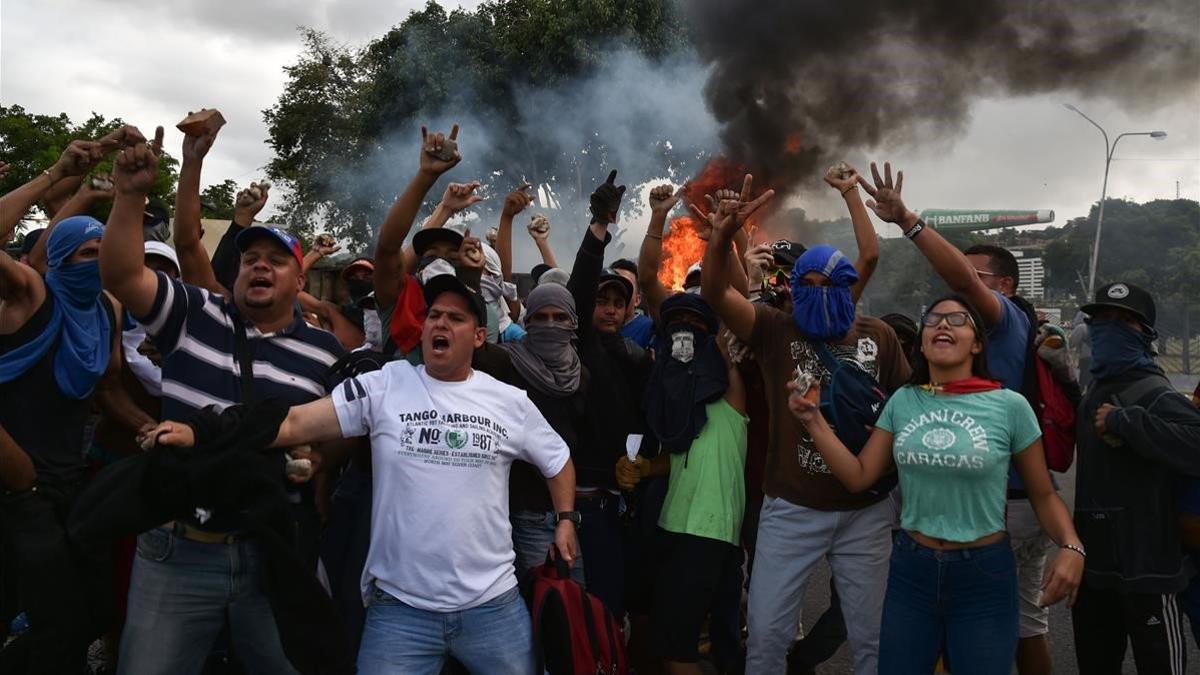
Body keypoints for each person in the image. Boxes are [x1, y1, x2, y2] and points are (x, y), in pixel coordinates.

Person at [148, 272, 579, 674]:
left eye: (455, 318)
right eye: (433, 316)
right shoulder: (386, 384)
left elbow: (556, 459)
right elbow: (296, 423)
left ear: (479, 336)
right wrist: (204, 431)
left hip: (493, 607)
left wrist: (564, 520)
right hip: (401, 610)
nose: (439, 324)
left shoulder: (509, 401)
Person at [98, 127, 347, 674]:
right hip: (177, 551)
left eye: (275, 260)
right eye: (250, 257)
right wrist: (130, 195)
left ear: (299, 277)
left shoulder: (325, 353)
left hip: (273, 549)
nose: (259, 266)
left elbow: (336, 440)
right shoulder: (191, 314)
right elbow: (119, 273)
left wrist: (320, 461)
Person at [788, 295, 1084, 674]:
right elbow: (860, 476)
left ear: (977, 343)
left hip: (983, 573)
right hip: (913, 570)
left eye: (957, 319)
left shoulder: (1009, 406)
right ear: (922, 342)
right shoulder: (904, 402)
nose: (943, 324)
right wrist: (812, 419)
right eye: (933, 320)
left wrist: (1071, 545)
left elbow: (1043, 493)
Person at [858, 161, 1075, 673]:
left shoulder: (999, 316)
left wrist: (909, 222)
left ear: (999, 285)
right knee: (1019, 627)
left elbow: (1045, 493)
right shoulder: (917, 394)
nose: (958, 292)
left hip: (1001, 511)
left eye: (971, 277)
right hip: (990, 512)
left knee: (1002, 629)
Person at [701, 172, 907, 674]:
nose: (817, 292)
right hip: (793, 508)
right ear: (793, 289)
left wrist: (851, 194)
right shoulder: (774, 329)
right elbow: (714, 293)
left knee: (873, 639)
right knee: (767, 635)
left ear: (847, 286)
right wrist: (724, 235)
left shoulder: (876, 335)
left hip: (868, 512)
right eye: (806, 284)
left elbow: (901, 412)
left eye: (829, 283)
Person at [1072, 281, 1200, 674]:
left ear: (1146, 335)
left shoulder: (1158, 392)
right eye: (1102, 319)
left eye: (1123, 321)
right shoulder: (1094, 388)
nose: (1109, 327)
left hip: (1150, 569)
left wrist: (1126, 421)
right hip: (1094, 568)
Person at [618, 292, 748, 675]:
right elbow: (679, 460)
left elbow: (724, 344)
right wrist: (644, 468)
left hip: (705, 531)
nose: (684, 335)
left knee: (678, 647)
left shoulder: (729, 395)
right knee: (679, 638)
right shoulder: (675, 407)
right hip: (678, 525)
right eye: (676, 327)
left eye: (695, 327)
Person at [611, 258, 655, 348]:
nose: (619, 291)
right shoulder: (596, 324)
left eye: (626, 286)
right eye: (614, 284)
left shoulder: (649, 330)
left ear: (637, 300)